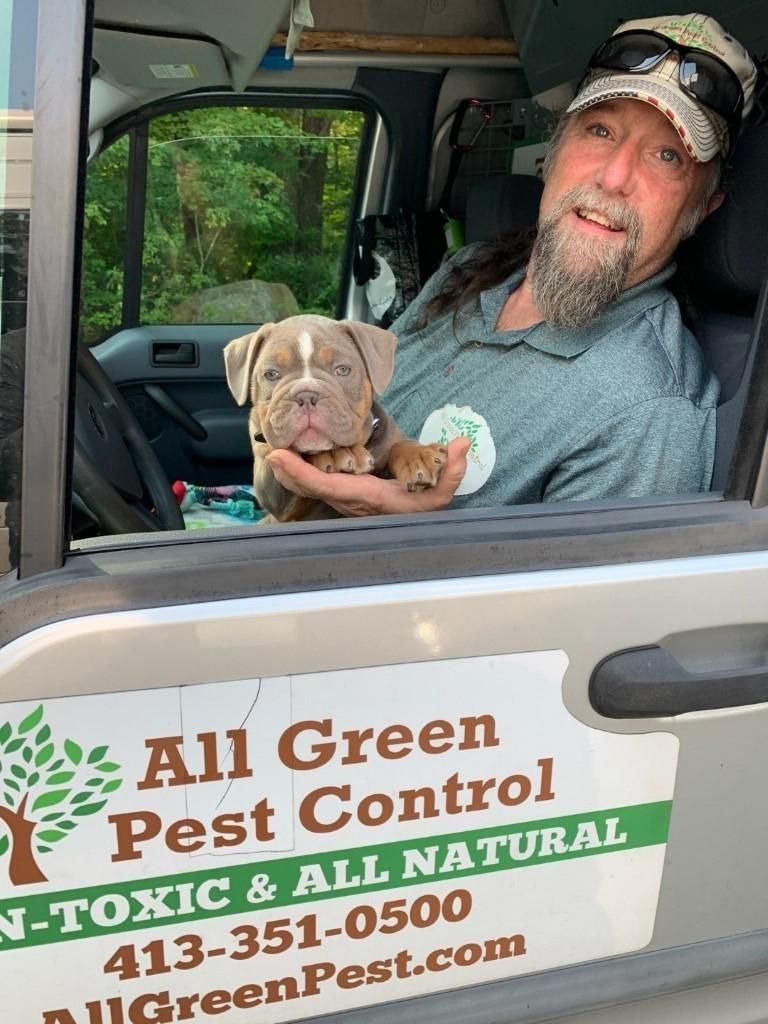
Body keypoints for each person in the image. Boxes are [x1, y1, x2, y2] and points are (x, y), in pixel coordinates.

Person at [267, 13, 757, 516]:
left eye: (667, 156)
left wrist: (397, 529)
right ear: (554, 150)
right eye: (601, 129)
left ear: (702, 208)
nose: (614, 176)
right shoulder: (476, 268)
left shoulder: (646, 411)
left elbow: (579, 597)